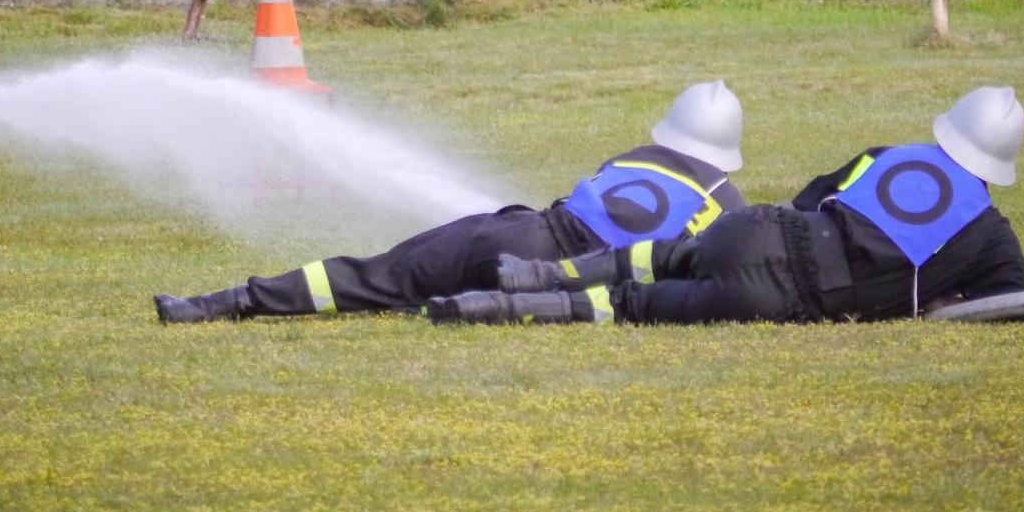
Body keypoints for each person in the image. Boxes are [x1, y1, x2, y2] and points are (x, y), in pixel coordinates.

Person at [427, 85, 1024, 326]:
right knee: (629, 306)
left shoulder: (890, 155)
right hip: (781, 297)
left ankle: (536, 271)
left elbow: (809, 198)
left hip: (756, 229)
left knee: (665, 256)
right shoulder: (989, 234)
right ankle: (493, 307)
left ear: (949, 129)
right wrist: (945, 298)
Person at [154, 80, 748, 322]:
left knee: (375, 274)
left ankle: (219, 303)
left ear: (671, 128)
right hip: (560, 277)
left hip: (512, 231)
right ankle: (466, 307)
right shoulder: (728, 202)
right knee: (492, 305)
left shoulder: (635, 153)